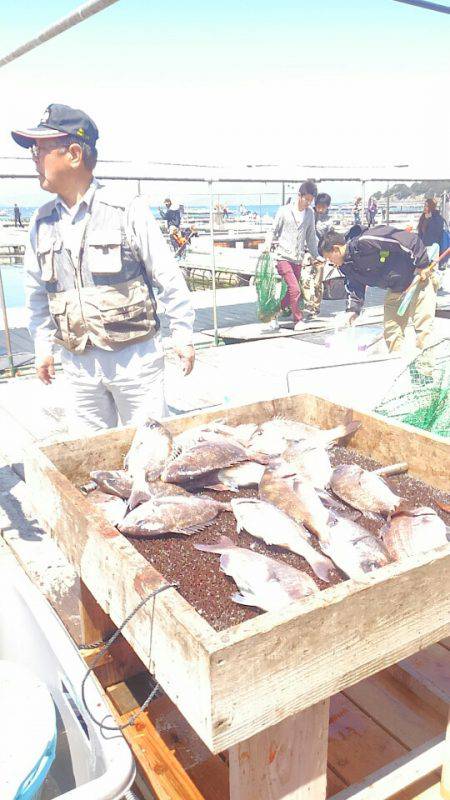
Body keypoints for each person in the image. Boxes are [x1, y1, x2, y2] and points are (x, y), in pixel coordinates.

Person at [13, 103, 195, 432]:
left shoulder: (127, 209)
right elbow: (36, 294)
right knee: (92, 456)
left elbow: (168, 277)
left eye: (40, 149)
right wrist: (43, 346)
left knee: (149, 449)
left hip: (135, 360)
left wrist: (183, 334)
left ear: (73, 154)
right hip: (78, 364)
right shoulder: (41, 222)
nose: (34, 159)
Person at [320, 226, 440, 354]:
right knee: (392, 332)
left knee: (423, 329)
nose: (331, 262)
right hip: (396, 288)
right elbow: (355, 287)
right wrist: (353, 310)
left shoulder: (366, 240)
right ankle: (398, 365)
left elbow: (410, 240)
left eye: (329, 258)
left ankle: (426, 371)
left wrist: (422, 265)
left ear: (336, 249)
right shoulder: (346, 266)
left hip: (417, 279)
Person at [264, 180, 323, 330]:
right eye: (306, 199)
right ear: (299, 195)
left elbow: (310, 236)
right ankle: (298, 321)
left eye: (311, 200)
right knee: (296, 290)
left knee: (290, 292)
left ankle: (273, 315)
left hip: (298, 258)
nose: (308, 203)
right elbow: (273, 230)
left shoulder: (310, 213)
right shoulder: (284, 210)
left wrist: (316, 255)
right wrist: (267, 244)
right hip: (283, 257)